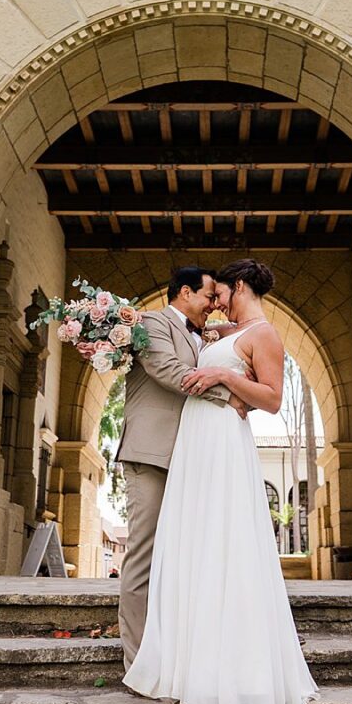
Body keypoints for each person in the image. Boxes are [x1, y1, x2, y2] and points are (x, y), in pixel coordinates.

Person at [123, 259, 319, 704]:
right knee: (189, 550)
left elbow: (271, 398)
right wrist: (224, 373)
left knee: (224, 546)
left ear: (237, 286)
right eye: (208, 296)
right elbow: (175, 369)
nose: (214, 303)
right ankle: (179, 657)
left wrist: (229, 379)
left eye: (220, 293)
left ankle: (231, 665)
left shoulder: (263, 333)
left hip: (219, 444)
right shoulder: (215, 332)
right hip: (191, 447)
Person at [114, 266, 244, 673]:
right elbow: (167, 371)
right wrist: (229, 393)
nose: (212, 306)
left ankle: (172, 650)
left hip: (188, 458)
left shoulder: (197, 331)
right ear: (185, 292)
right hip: (150, 454)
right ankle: (136, 661)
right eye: (208, 297)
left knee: (180, 557)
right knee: (144, 556)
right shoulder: (151, 323)